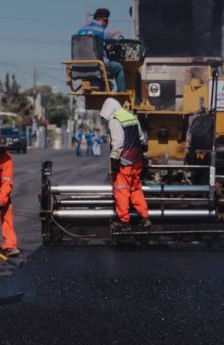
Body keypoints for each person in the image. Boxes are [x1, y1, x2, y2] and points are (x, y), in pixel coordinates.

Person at [99, 97, 150, 228]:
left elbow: (118, 142)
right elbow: (141, 137)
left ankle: (123, 221)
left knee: (121, 189)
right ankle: (145, 217)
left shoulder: (115, 120)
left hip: (125, 161)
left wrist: (114, 158)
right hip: (137, 161)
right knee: (136, 189)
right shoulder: (131, 116)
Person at [77, 8, 126, 92]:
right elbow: (115, 40)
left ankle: (97, 83)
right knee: (119, 67)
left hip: (80, 65)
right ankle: (122, 93)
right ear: (105, 20)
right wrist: (117, 35)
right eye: (107, 21)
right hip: (99, 65)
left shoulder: (81, 30)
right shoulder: (102, 30)